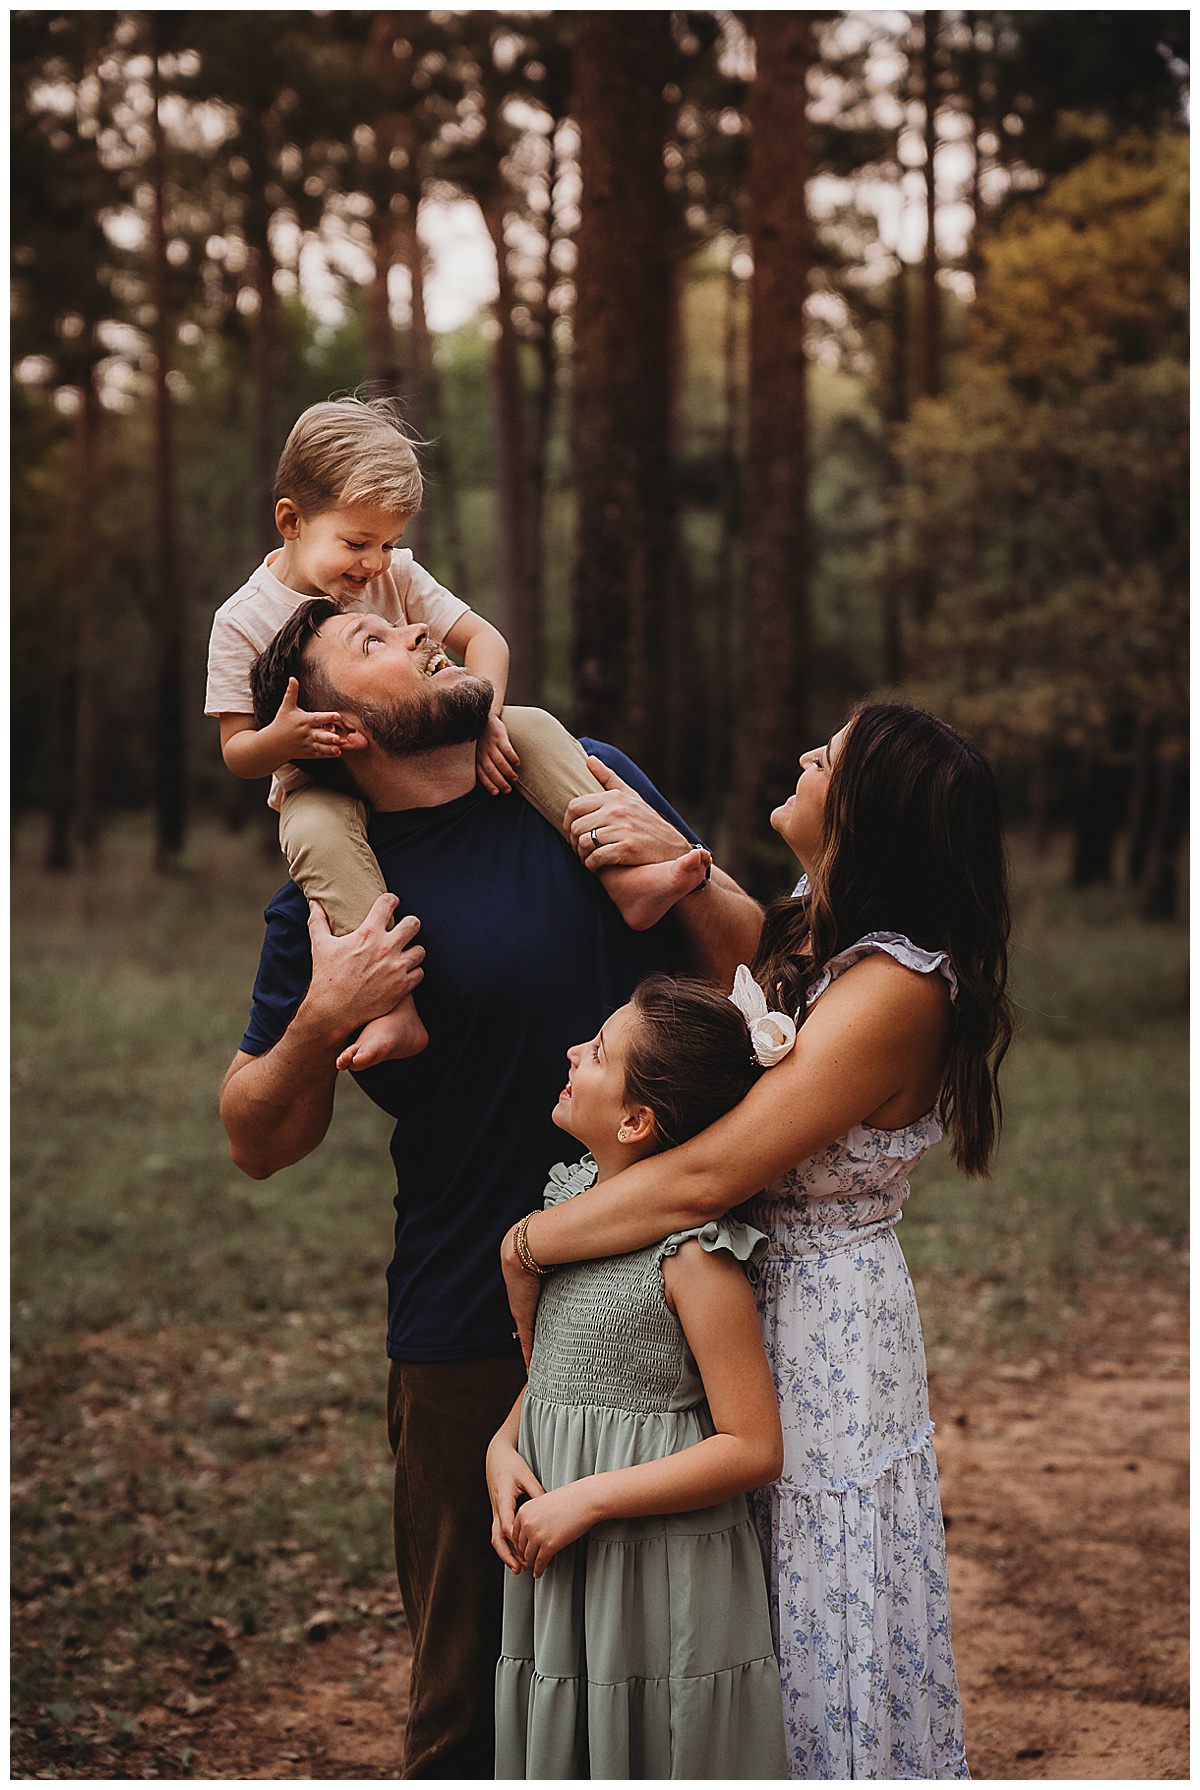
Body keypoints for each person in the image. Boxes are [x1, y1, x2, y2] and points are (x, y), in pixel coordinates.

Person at [218, 596, 762, 1779]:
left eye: (404, 625)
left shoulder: (584, 776)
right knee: (471, 1702)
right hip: (471, 1325)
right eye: (373, 644)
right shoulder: (335, 893)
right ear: (333, 730)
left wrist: (676, 870)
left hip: (677, 1295)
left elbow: (743, 959)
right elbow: (256, 1135)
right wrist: (325, 1013)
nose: (418, 636)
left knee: (671, 1677)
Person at [503, 701, 1014, 1780]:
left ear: (867, 813)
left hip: (824, 1330)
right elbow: (769, 989)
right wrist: (684, 867)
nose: (801, 756)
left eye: (825, 757)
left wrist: (535, 1239)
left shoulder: (899, 988)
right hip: (740, 1294)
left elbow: (708, 1170)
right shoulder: (824, 924)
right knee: (731, 1604)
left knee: (816, 1609)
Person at [205, 395, 709, 1071]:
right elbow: (238, 750)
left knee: (531, 724)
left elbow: (483, 640)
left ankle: (623, 873)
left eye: (386, 543)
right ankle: (393, 1007)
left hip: (431, 753)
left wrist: (486, 718)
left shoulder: (397, 573)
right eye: (356, 543)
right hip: (315, 780)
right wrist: (284, 738)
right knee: (314, 833)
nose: (374, 564)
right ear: (291, 521)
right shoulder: (242, 619)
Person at [488, 975, 789, 1780]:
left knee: (650, 1738)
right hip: (562, 1553)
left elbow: (753, 1446)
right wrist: (502, 1446)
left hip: (653, 1567)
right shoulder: (571, 1203)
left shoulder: (694, 1257)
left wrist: (585, 1499)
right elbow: (563, 1364)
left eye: (596, 1052)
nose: (571, 1053)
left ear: (636, 1120)